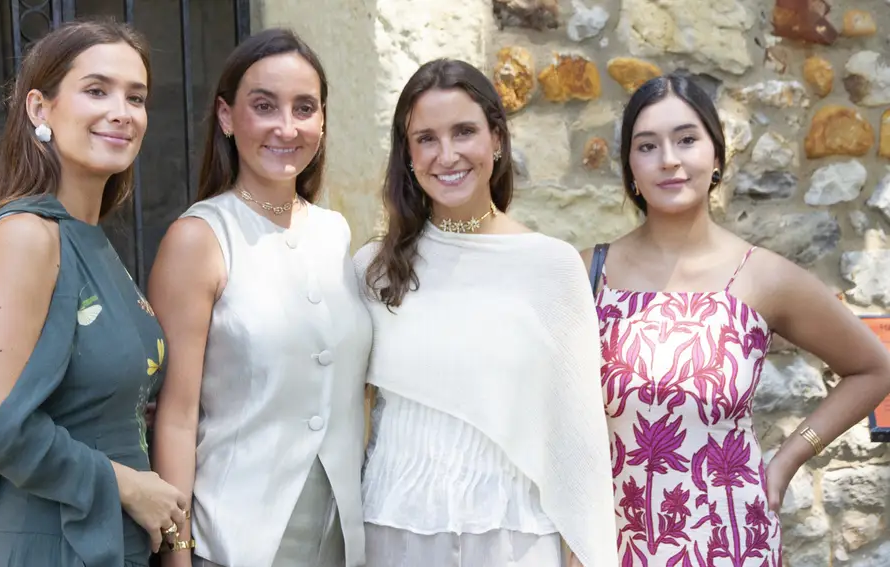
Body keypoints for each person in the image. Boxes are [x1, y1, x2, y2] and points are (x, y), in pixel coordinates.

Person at [584, 73, 890, 565]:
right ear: (630, 170)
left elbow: (875, 368)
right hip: (616, 544)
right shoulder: (587, 274)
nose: (669, 159)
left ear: (717, 156)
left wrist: (788, 460)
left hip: (733, 543)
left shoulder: (761, 276)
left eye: (686, 139)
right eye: (647, 146)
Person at [0, 19, 188, 567]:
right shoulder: (27, 235)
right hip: (49, 543)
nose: (122, 111)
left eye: (136, 97)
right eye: (97, 90)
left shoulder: (89, 239)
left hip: (108, 544)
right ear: (39, 109)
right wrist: (128, 485)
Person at [354, 58, 617, 567]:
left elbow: (578, 434)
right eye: (426, 138)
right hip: (395, 528)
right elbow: (350, 416)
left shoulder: (551, 266)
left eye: (464, 132)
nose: (446, 154)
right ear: (406, 154)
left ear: (496, 140)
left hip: (515, 533)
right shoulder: (372, 270)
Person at [146, 28, 371, 567]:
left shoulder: (336, 232)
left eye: (304, 108)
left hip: (343, 537)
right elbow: (176, 416)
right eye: (264, 106)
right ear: (227, 117)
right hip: (233, 540)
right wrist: (177, 555)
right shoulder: (198, 238)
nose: (286, 127)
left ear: (323, 119)